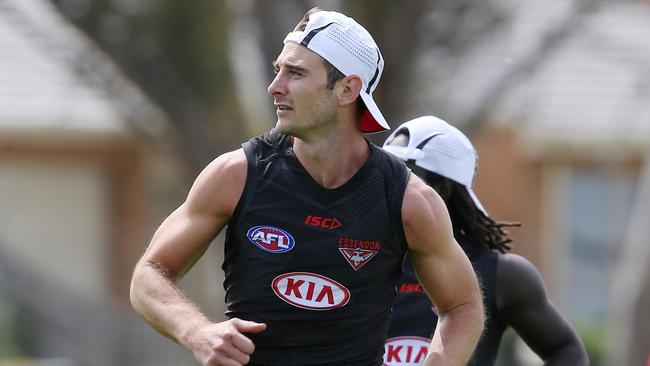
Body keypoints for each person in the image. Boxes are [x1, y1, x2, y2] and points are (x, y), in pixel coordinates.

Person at [129, 7, 484, 366]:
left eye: (295, 73)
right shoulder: (235, 175)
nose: (275, 87)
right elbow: (148, 274)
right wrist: (197, 331)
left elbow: (463, 307)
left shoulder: (409, 201)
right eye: (277, 70)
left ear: (347, 89)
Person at [382, 115, 589, 366]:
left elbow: (566, 351)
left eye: (405, 177)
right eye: (384, 176)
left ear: (444, 188)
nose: (388, 190)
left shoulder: (502, 275)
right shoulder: (356, 256)